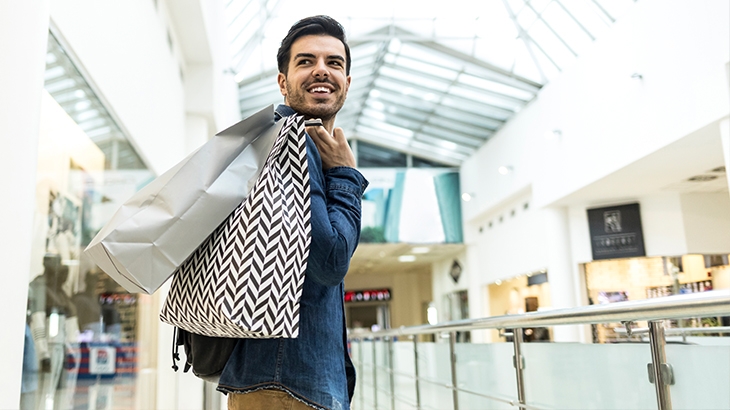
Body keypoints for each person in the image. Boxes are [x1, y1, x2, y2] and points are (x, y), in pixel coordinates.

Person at [216, 15, 369, 410]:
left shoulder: (288, 144)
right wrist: (347, 177)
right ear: (283, 81)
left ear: (347, 83)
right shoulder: (292, 146)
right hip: (286, 385)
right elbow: (329, 260)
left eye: (334, 63)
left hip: (278, 382)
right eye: (306, 61)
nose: (322, 69)